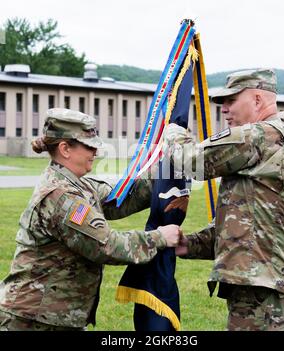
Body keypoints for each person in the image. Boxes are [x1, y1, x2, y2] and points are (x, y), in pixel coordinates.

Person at [0, 108, 182, 331]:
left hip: (53, 316)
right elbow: (107, 246)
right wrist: (159, 238)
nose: (95, 151)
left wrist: (166, 166)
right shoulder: (61, 196)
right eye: (89, 145)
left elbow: (122, 200)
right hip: (34, 319)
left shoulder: (79, 185)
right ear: (65, 148)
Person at [163, 68, 284, 331]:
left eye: (231, 100)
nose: (224, 109)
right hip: (278, 284)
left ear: (258, 100)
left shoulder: (257, 136)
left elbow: (191, 161)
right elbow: (252, 222)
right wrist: (190, 244)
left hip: (261, 290)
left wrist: (171, 129)